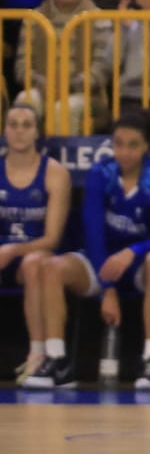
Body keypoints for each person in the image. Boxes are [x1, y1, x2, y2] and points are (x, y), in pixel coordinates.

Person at [25, 108, 150, 390]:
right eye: (118, 143)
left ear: (146, 145)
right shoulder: (101, 173)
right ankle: (57, 362)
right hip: (100, 261)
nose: (124, 151)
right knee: (50, 268)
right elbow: (93, 233)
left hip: (139, 263)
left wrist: (132, 251)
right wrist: (107, 288)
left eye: (132, 145)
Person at [3, 103, 73, 387]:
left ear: (37, 132)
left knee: (35, 264)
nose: (19, 131)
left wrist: (12, 250)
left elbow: (52, 238)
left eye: (26, 125)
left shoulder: (54, 173)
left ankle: (38, 354)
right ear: (5, 130)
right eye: (13, 124)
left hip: (32, 255)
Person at [14, 0, 109, 125]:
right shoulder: (33, 19)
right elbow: (22, 67)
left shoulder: (99, 19)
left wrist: (69, 87)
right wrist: (44, 85)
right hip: (42, 89)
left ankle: (61, 152)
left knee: (64, 109)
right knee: (25, 101)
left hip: (86, 94)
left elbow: (102, 68)